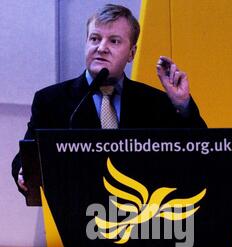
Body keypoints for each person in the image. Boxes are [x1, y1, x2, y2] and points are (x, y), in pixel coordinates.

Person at [12, 3, 206, 192]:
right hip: (77, 216)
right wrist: (24, 172)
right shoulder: (51, 101)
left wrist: (182, 104)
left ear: (132, 53)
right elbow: (26, 157)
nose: (101, 48)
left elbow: (201, 152)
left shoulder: (155, 102)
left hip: (143, 217)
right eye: (95, 39)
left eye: (114, 41)